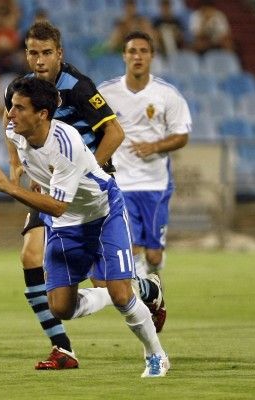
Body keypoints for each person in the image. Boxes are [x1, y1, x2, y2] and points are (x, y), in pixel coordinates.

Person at [0, 76, 169, 378]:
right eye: (11, 107)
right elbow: (9, 130)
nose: (11, 114)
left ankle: (155, 355)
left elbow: (58, 205)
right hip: (66, 225)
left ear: (42, 114)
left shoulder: (66, 144)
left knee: (123, 298)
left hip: (103, 213)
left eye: (19, 108)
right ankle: (140, 287)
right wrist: (16, 162)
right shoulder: (16, 129)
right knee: (61, 308)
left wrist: (10, 187)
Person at [3, 21, 126, 370]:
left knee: (109, 286)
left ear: (60, 54)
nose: (39, 61)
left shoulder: (79, 87)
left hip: (89, 192)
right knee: (30, 256)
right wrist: (17, 163)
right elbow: (8, 120)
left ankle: (147, 291)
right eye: (32, 53)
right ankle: (62, 348)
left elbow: (115, 133)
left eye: (46, 53)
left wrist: (82, 173)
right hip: (52, 188)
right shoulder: (20, 89)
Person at [98, 31, 191, 331]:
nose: (137, 56)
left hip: (155, 185)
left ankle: (155, 291)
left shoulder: (167, 95)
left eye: (143, 51)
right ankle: (146, 303)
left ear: (151, 56)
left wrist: (155, 146)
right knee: (133, 249)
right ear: (123, 56)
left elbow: (181, 136)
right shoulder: (107, 93)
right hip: (121, 184)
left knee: (153, 254)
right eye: (131, 51)